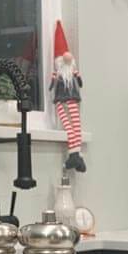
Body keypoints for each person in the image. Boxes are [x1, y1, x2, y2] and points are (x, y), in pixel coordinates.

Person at [50, 21, 86, 172]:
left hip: (68, 97)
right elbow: (53, 81)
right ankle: (76, 156)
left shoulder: (69, 72)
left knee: (75, 124)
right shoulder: (61, 72)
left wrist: (78, 80)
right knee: (71, 124)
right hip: (63, 98)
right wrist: (51, 86)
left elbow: (78, 79)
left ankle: (75, 155)